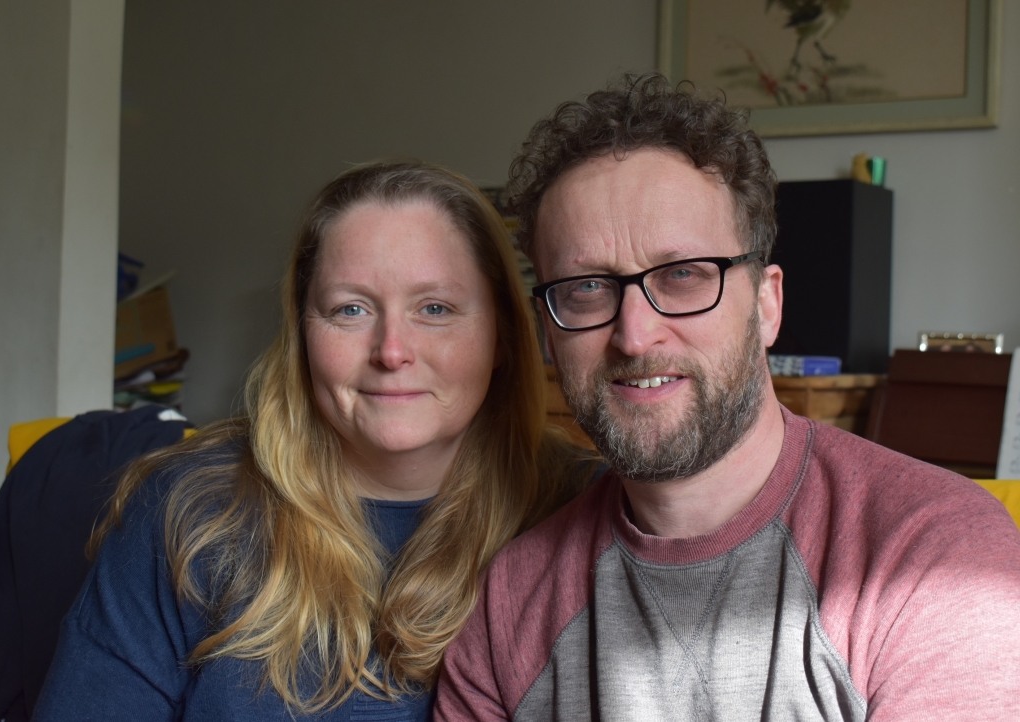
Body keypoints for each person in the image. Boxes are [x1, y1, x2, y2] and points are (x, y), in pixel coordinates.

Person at [434, 73, 1020, 720]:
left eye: (683, 275)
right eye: (587, 289)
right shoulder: (510, 601)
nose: (635, 334)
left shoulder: (935, 555)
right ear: (549, 328)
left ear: (767, 304)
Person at [33, 160, 596, 721]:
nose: (392, 351)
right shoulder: (189, 508)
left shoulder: (587, 511)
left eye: (435, 309)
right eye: (350, 309)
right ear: (302, 331)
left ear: (501, 335)